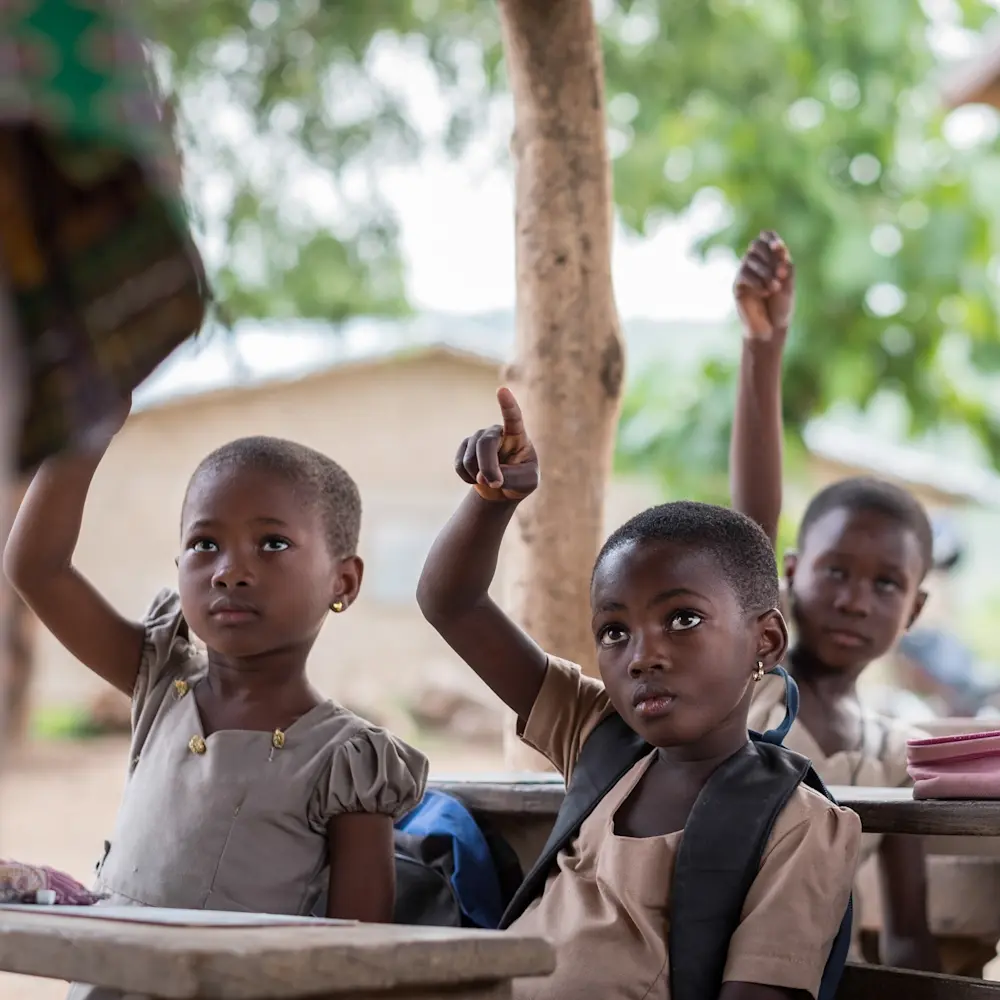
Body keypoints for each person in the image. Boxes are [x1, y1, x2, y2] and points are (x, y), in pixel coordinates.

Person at [417, 389, 861, 1000]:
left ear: (766, 640)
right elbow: (451, 603)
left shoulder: (800, 823)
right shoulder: (597, 734)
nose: (642, 655)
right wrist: (492, 503)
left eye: (682, 619)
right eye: (614, 631)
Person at [3, 406, 428, 1000]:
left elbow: (359, 962)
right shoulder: (158, 684)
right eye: (205, 544)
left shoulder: (347, 763)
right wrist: (87, 423)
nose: (231, 571)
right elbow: (35, 567)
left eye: (272, 543)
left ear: (344, 582)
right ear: (179, 567)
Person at [731, 231, 940, 971]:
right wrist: (764, 345)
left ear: (913, 610)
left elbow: (911, 935)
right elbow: (750, 522)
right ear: (787, 573)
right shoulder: (748, 689)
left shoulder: (894, 756)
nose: (855, 600)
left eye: (886, 584)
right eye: (835, 572)